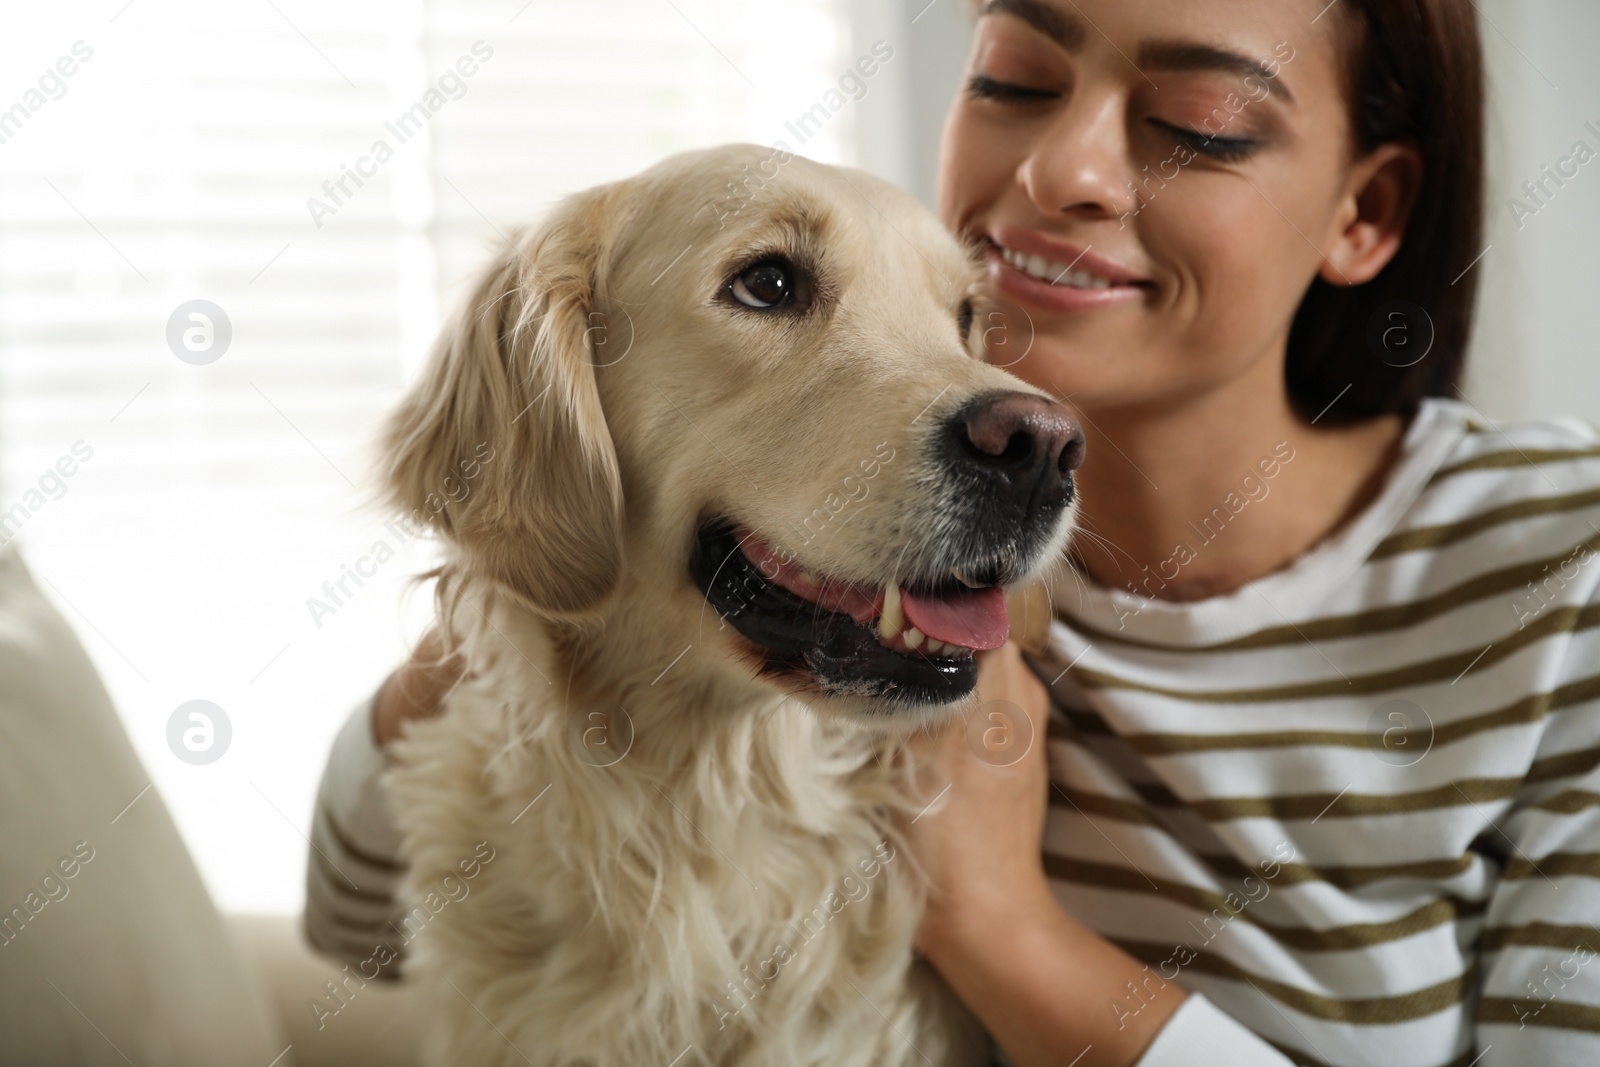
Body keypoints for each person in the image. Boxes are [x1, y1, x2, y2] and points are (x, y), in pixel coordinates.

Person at [307, 1, 1600, 1064]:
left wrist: (1000, 929)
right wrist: (515, 585)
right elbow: (357, 922)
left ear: (1363, 213)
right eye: (1016, 79)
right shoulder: (856, 578)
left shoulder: (1561, 562)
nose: (1062, 172)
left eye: (1196, 129)